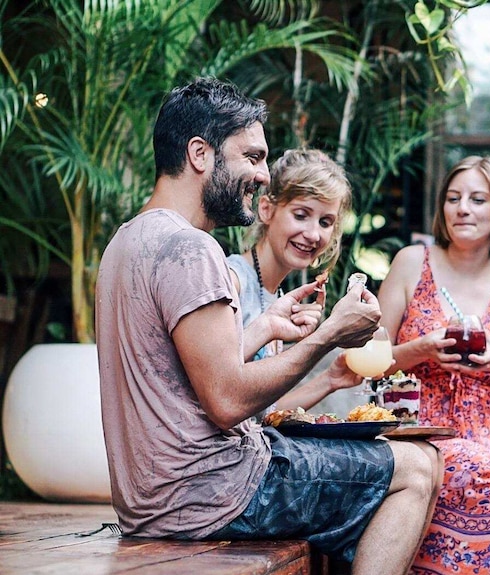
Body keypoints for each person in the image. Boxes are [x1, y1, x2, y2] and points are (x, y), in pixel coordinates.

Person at [95, 77, 442, 575]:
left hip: (160, 496)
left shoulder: (127, 241)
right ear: (200, 153)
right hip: (213, 492)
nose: (261, 174)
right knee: (415, 467)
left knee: (400, 462)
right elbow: (228, 401)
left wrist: (266, 328)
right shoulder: (192, 249)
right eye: (252, 157)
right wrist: (329, 335)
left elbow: (194, 376)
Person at [377, 155, 490, 574]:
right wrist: (422, 350)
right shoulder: (411, 262)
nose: (462, 208)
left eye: (477, 199)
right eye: (453, 198)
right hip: (417, 432)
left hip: (489, 437)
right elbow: (367, 363)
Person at [226, 148, 359, 413]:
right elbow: (210, 381)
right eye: (300, 215)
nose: (312, 234)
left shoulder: (277, 296)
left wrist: (330, 380)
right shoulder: (232, 281)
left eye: (325, 221)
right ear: (266, 210)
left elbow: (265, 414)